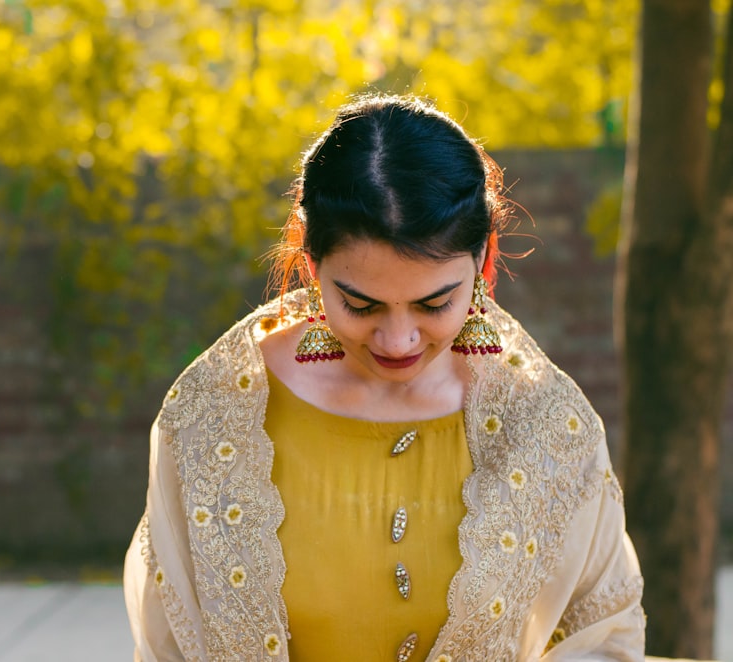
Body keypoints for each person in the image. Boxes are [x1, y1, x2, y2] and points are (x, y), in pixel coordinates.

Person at [123, 94, 645, 661]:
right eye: (360, 304)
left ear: (483, 261)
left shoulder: (543, 426)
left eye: (434, 304)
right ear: (310, 262)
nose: (398, 341)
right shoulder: (214, 419)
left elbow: (605, 630)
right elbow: (170, 640)